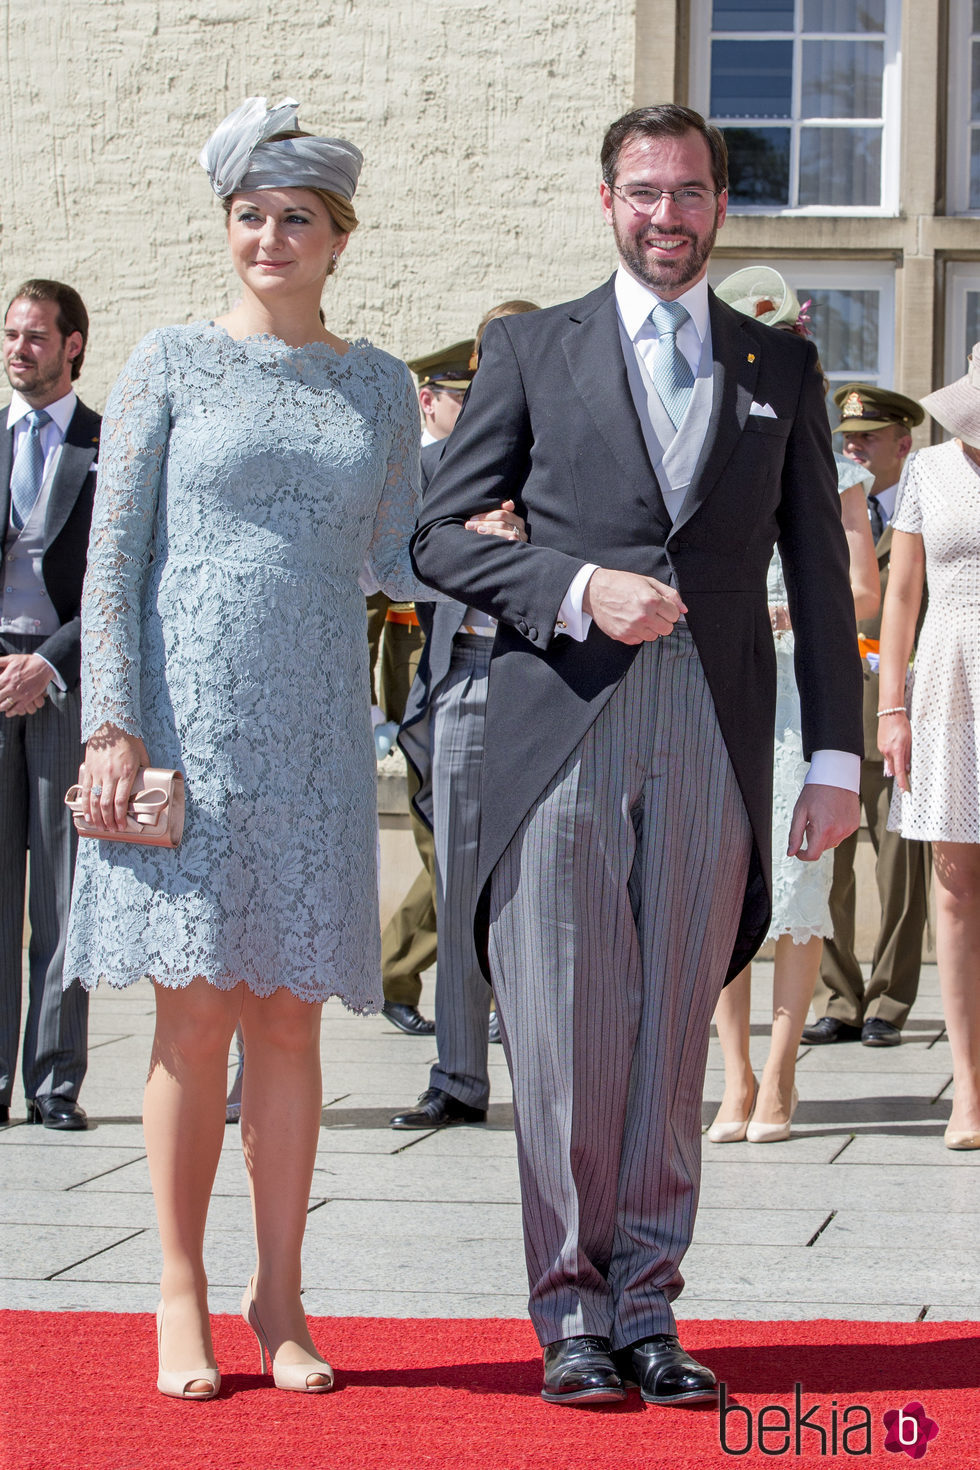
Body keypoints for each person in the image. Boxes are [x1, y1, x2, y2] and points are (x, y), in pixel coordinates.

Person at [61, 96, 520, 1402]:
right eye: (251, 215)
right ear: (230, 228)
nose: (271, 235)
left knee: (291, 1024)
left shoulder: (377, 384)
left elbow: (392, 558)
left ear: (337, 237)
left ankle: (281, 1292)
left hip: (316, 734)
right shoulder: (165, 363)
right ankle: (179, 1292)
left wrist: (502, 538)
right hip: (186, 729)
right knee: (193, 1018)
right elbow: (115, 558)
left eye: (297, 219)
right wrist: (113, 719)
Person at [411, 104, 862, 1408]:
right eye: (644, 192)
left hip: (712, 729)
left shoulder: (776, 364)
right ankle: (570, 1312)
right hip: (562, 719)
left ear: (721, 205)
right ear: (606, 199)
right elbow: (438, 539)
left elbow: (820, 583)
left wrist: (833, 758)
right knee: (559, 1031)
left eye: (690, 193)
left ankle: (649, 1303)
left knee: (672, 1028)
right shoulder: (528, 350)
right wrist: (574, 585)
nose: (667, 216)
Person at [705, 269, 880, 1145]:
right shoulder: (707, 442)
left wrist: (791, 610)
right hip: (725, 684)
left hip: (797, 695)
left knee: (798, 882)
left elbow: (861, 588)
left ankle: (780, 1076)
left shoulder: (836, 462)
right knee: (725, 879)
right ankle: (731, 1076)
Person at [392, 300, 539, 1130]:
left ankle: (552, 1072)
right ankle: (456, 1075)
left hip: (550, 681)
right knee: (458, 882)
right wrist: (462, 545)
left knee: (549, 886)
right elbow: (397, 561)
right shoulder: (436, 463)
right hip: (465, 676)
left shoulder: (570, 459)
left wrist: (532, 535)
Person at [804, 384, 931, 1049]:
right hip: (830, 718)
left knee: (899, 873)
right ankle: (839, 997)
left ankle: (889, 1001)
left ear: (903, 444)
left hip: (896, 717)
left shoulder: (926, 507)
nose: (852, 447)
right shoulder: (830, 507)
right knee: (827, 871)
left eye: (868, 438)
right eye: (846, 437)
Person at [1, 279, 99, 1131]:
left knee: (64, 894)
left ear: (73, 345)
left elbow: (116, 585)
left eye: (36, 336)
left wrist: (49, 663)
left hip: (64, 678)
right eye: (10, 334)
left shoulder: (108, 446)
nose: (18, 349)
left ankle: (55, 1084)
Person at [877, 345, 980, 1151]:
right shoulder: (930, 471)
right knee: (953, 887)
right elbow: (901, 595)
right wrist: (892, 709)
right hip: (949, 685)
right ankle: (969, 1091)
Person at [373, 341, 475, 1037]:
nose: (471, 411)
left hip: (489, 688)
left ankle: (394, 974)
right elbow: (375, 599)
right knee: (450, 850)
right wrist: (372, 706)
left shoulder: (501, 468)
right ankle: (393, 974)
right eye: (459, 397)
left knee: (461, 853)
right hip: (428, 692)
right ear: (427, 400)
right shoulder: (409, 477)